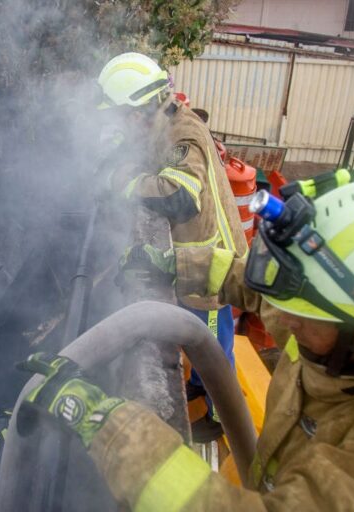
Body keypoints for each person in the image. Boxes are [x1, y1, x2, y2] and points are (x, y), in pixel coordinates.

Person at [18, 178, 354, 511]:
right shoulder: (332, 330)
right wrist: (171, 264)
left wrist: (108, 425)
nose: (284, 321)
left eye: (305, 313)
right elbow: (254, 288)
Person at [97, 52, 248, 431]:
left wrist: (124, 183)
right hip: (192, 257)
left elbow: (179, 196)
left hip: (212, 267)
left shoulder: (183, 132)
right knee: (197, 335)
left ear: (135, 111)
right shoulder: (161, 125)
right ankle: (200, 385)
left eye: (118, 115)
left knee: (212, 345)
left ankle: (219, 416)